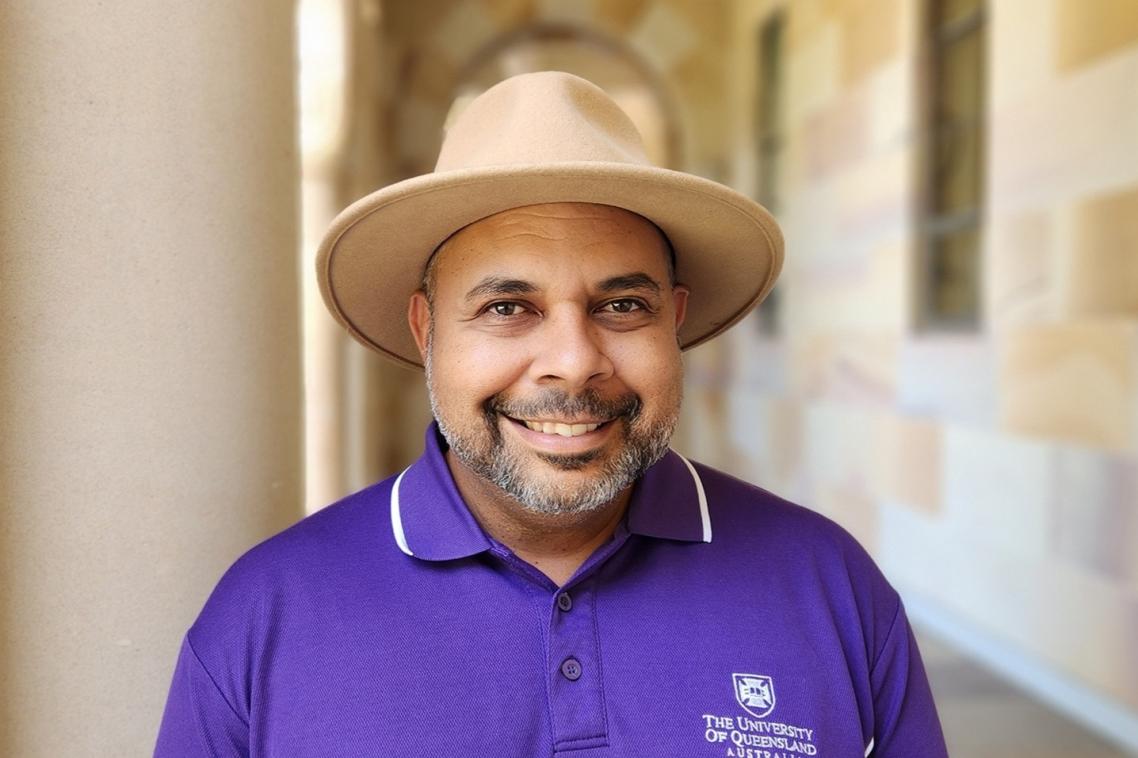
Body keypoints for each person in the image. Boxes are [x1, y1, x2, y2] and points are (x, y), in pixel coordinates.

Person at [155, 71, 948, 757]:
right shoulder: (268, 616)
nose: (573, 360)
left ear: (673, 321)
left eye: (623, 305)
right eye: (507, 307)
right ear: (427, 332)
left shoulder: (828, 588)